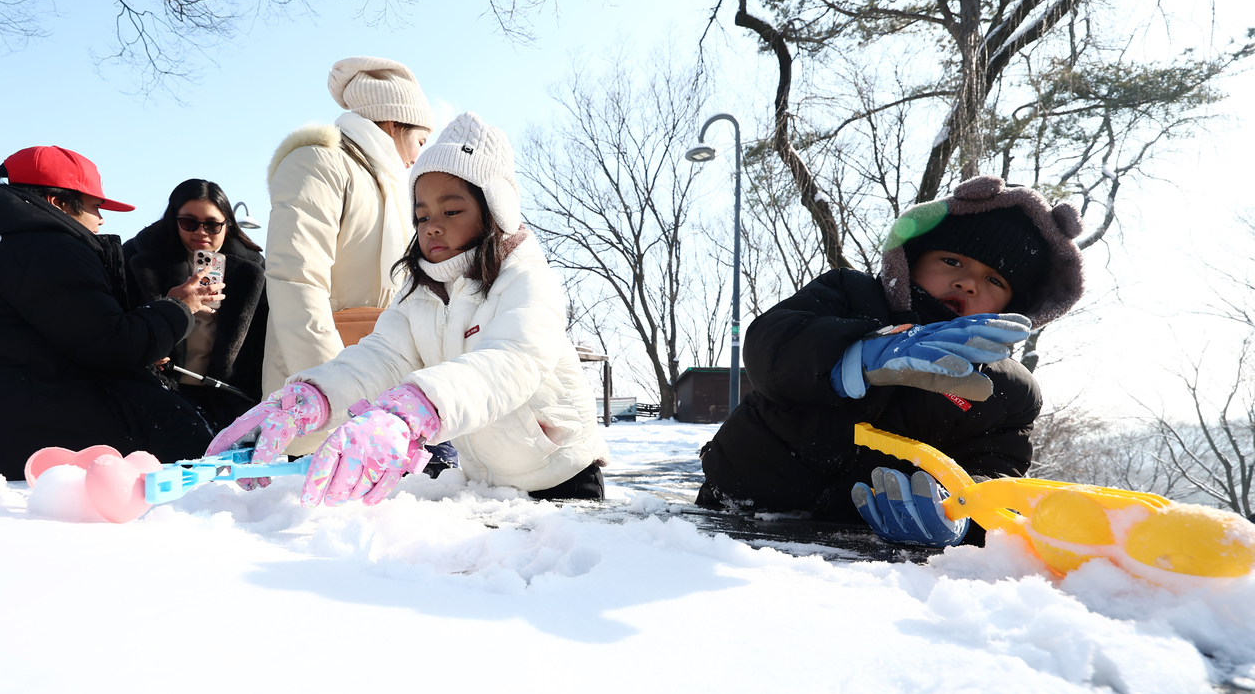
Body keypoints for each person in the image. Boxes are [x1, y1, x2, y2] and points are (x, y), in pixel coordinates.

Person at [209, 113, 609, 505]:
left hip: (562, 476)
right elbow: (381, 357)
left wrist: (415, 409)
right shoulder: (419, 290)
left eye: (451, 211)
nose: (432, 225)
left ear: (493, 211)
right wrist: (309, 400)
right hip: (489, 484)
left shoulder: (524, 278)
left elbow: (510, 362)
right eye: (421, 215)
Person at [696, 175, 1086, 546]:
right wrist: (861, 352)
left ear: (1013, 308)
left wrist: (959, 515)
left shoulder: (1008, 390)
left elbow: (997, 472)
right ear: (912, 260)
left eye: (995, 281)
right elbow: (771, 347)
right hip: (738, 505)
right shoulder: (849, 294)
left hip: (867, 540)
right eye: (952, 261)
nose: (968, 282)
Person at [0, 146, 220, 478]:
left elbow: (22, 347)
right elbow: (114, 348)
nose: (102, 219)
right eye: (96, 206)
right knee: (180, 426)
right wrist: (179, 306)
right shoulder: (49, 249)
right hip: (8, 440)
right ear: (57, 202)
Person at [262, 56, 434, 458]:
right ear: (393, 124)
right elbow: (297, 280)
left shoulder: (390, 184)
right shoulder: (318, 162)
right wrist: (330, 393)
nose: (417, 156)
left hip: (382, 392)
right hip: (323, 393)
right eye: (420, 141)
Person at [123, 179, 268, 428]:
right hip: (157, 394)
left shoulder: (254, 267)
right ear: (173, 220)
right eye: (189, 223)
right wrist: (146, 349)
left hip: (230, 397)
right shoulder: (136, 258)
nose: (201, 232)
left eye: (212, 225)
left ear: (227, 224)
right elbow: (119, 323)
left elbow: (265, 337)